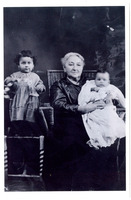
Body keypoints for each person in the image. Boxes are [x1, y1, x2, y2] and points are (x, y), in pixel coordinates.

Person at [43, 52, 105, 191]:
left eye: (78, 65)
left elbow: (103, 94)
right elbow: (58, 103)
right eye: (70, 64)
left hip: (91, 123)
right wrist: (81, 108)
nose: (75, 68)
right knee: (72, 141)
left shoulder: (91, 83)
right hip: (67, 125)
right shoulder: (58, 85)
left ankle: (93, 187)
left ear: (82, 67)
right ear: (64, 68)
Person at [4, 50, 46, 175]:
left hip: (31, 106)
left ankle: (29, 165)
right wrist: (10, 83)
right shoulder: (15, 75)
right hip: (18, 106)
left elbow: (41, 86)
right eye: (23, 63)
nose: (26, 65)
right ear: (18, 65)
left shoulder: (35, 77)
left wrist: (39, 87)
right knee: (17, 130)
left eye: (29, 63)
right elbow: (7, 82)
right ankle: (16, 164)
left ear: (33, 65)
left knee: (29, 131)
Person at [78, 69, 125, 149]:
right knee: (95, 125)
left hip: (107, 110)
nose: (101, 82)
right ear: (95, 80)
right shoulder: (90, 88)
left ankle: (110, 138)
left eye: (104, 80)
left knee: (111, 122)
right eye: (98, 79)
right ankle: (98, 140)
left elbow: (118, 97)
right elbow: (84, 99)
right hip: (94, 110)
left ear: (108, 82)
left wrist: (109, 96)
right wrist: (93, 97)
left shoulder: (110, 89)